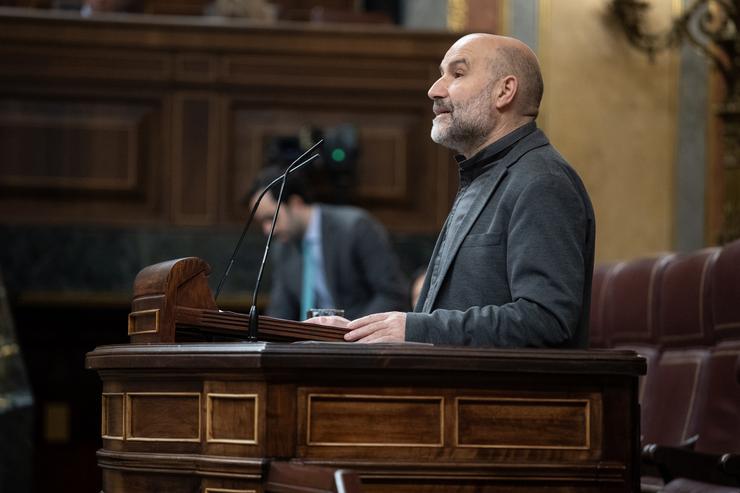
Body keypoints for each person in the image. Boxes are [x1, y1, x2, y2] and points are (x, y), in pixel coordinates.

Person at [312, 33, 595, 348]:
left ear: (505, 91)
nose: (435, 89)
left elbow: (546, 320)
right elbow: (447, 319)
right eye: (440, 74)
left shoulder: (542, 181)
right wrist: (362, 331)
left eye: (457, 74)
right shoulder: (485, 173)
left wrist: (414, 329)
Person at [249, 166, 408, 321]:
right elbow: (280, 312)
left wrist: (351, 332)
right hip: (310, 344)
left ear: (295, 203)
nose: (267, 230)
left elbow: (392, 294)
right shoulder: (281, 248)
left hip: (360, 341)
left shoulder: (355, 227)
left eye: (271, 218)